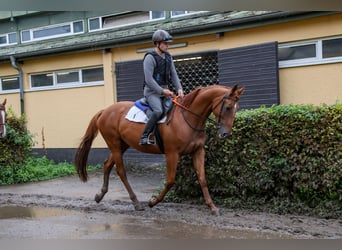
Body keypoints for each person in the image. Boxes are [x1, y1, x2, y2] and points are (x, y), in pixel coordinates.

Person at [139, 29, 184, 145]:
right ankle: (144, 136)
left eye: (168, 43)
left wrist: (179, 88)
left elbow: (173, 74)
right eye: (165, 43)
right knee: (158, 111)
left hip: (165, 91)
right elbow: (149, 80)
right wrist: (162, 91)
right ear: (157, 44)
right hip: (151, 92)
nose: (167, 46)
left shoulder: (168, 57)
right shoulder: (150, 58)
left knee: (175, 109)